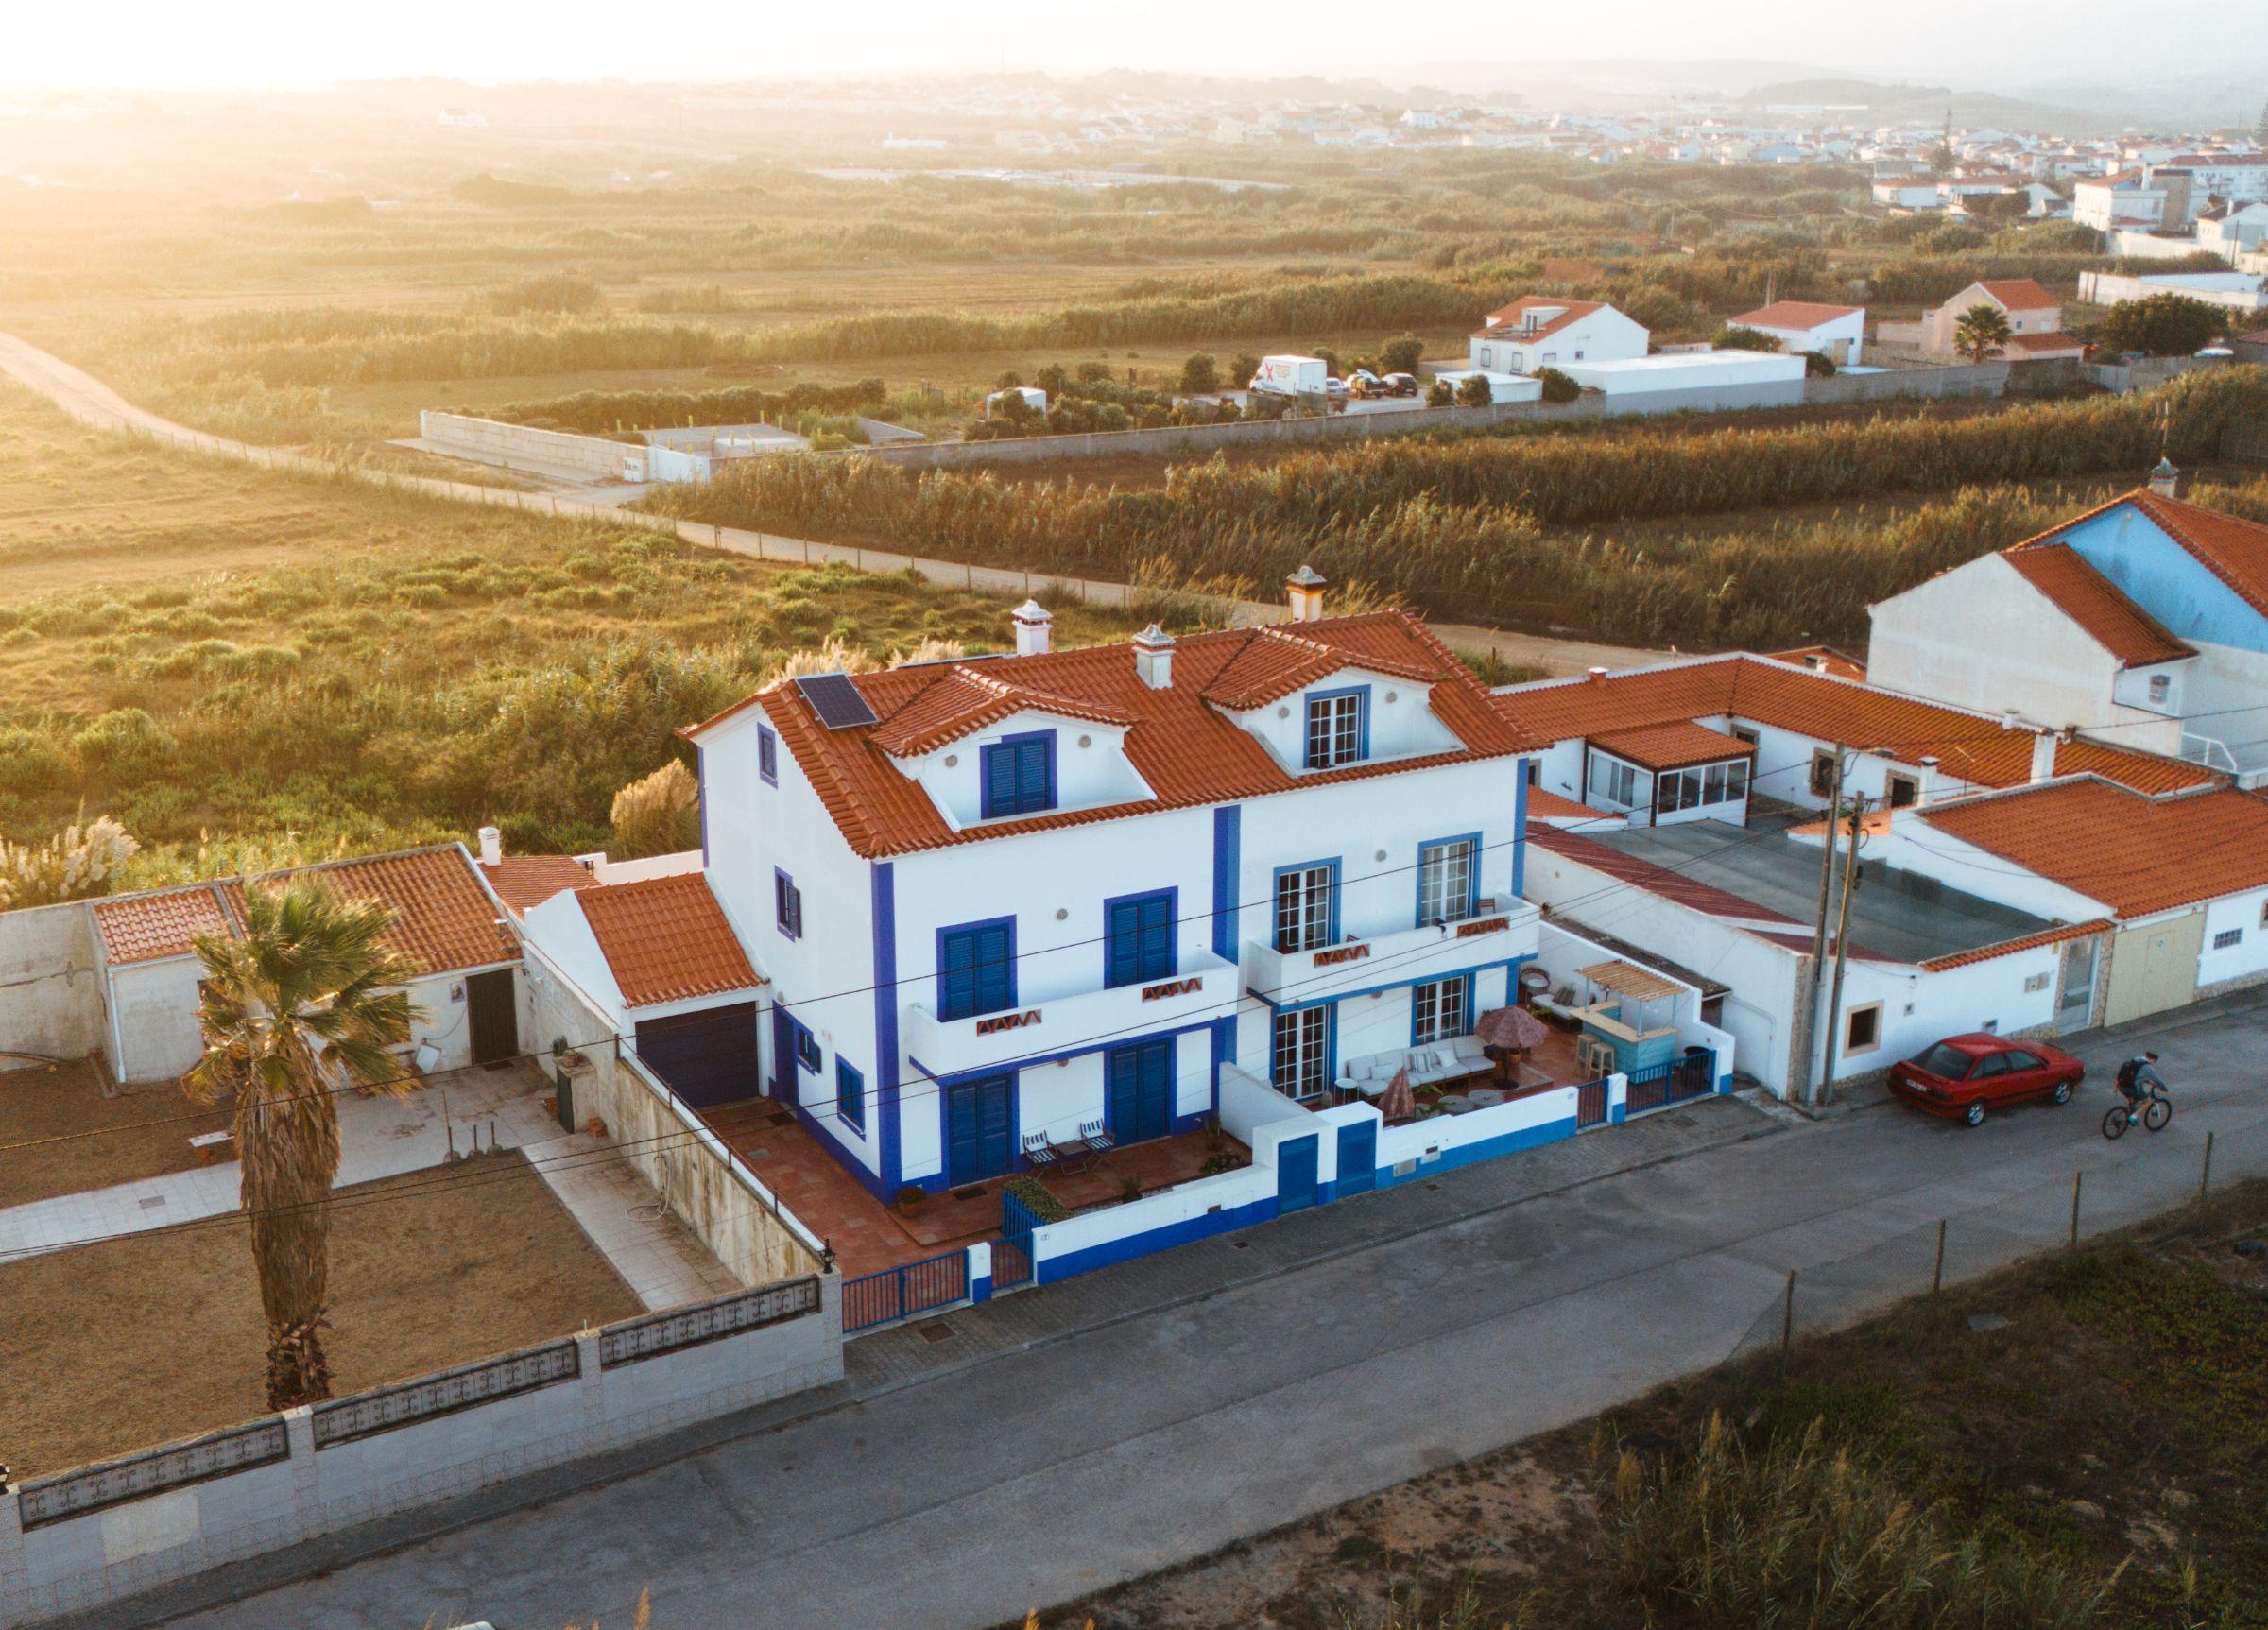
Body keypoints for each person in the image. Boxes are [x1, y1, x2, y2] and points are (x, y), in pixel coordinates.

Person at [2115, 1051, 2166, 1125]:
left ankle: (2130, 1113)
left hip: (2122, 1085)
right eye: (2154, 1061)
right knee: (2148, 1100)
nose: (2153, 1063)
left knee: (2133, 1100)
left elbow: (2135, 1074)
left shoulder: (2136, 1059)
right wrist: (2164, 1088)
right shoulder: (2148, 1067)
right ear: (2152, 1059)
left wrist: (2145, 1080)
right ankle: (2133, 1117)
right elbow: (2157, 1080)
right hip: (2131, 1088)